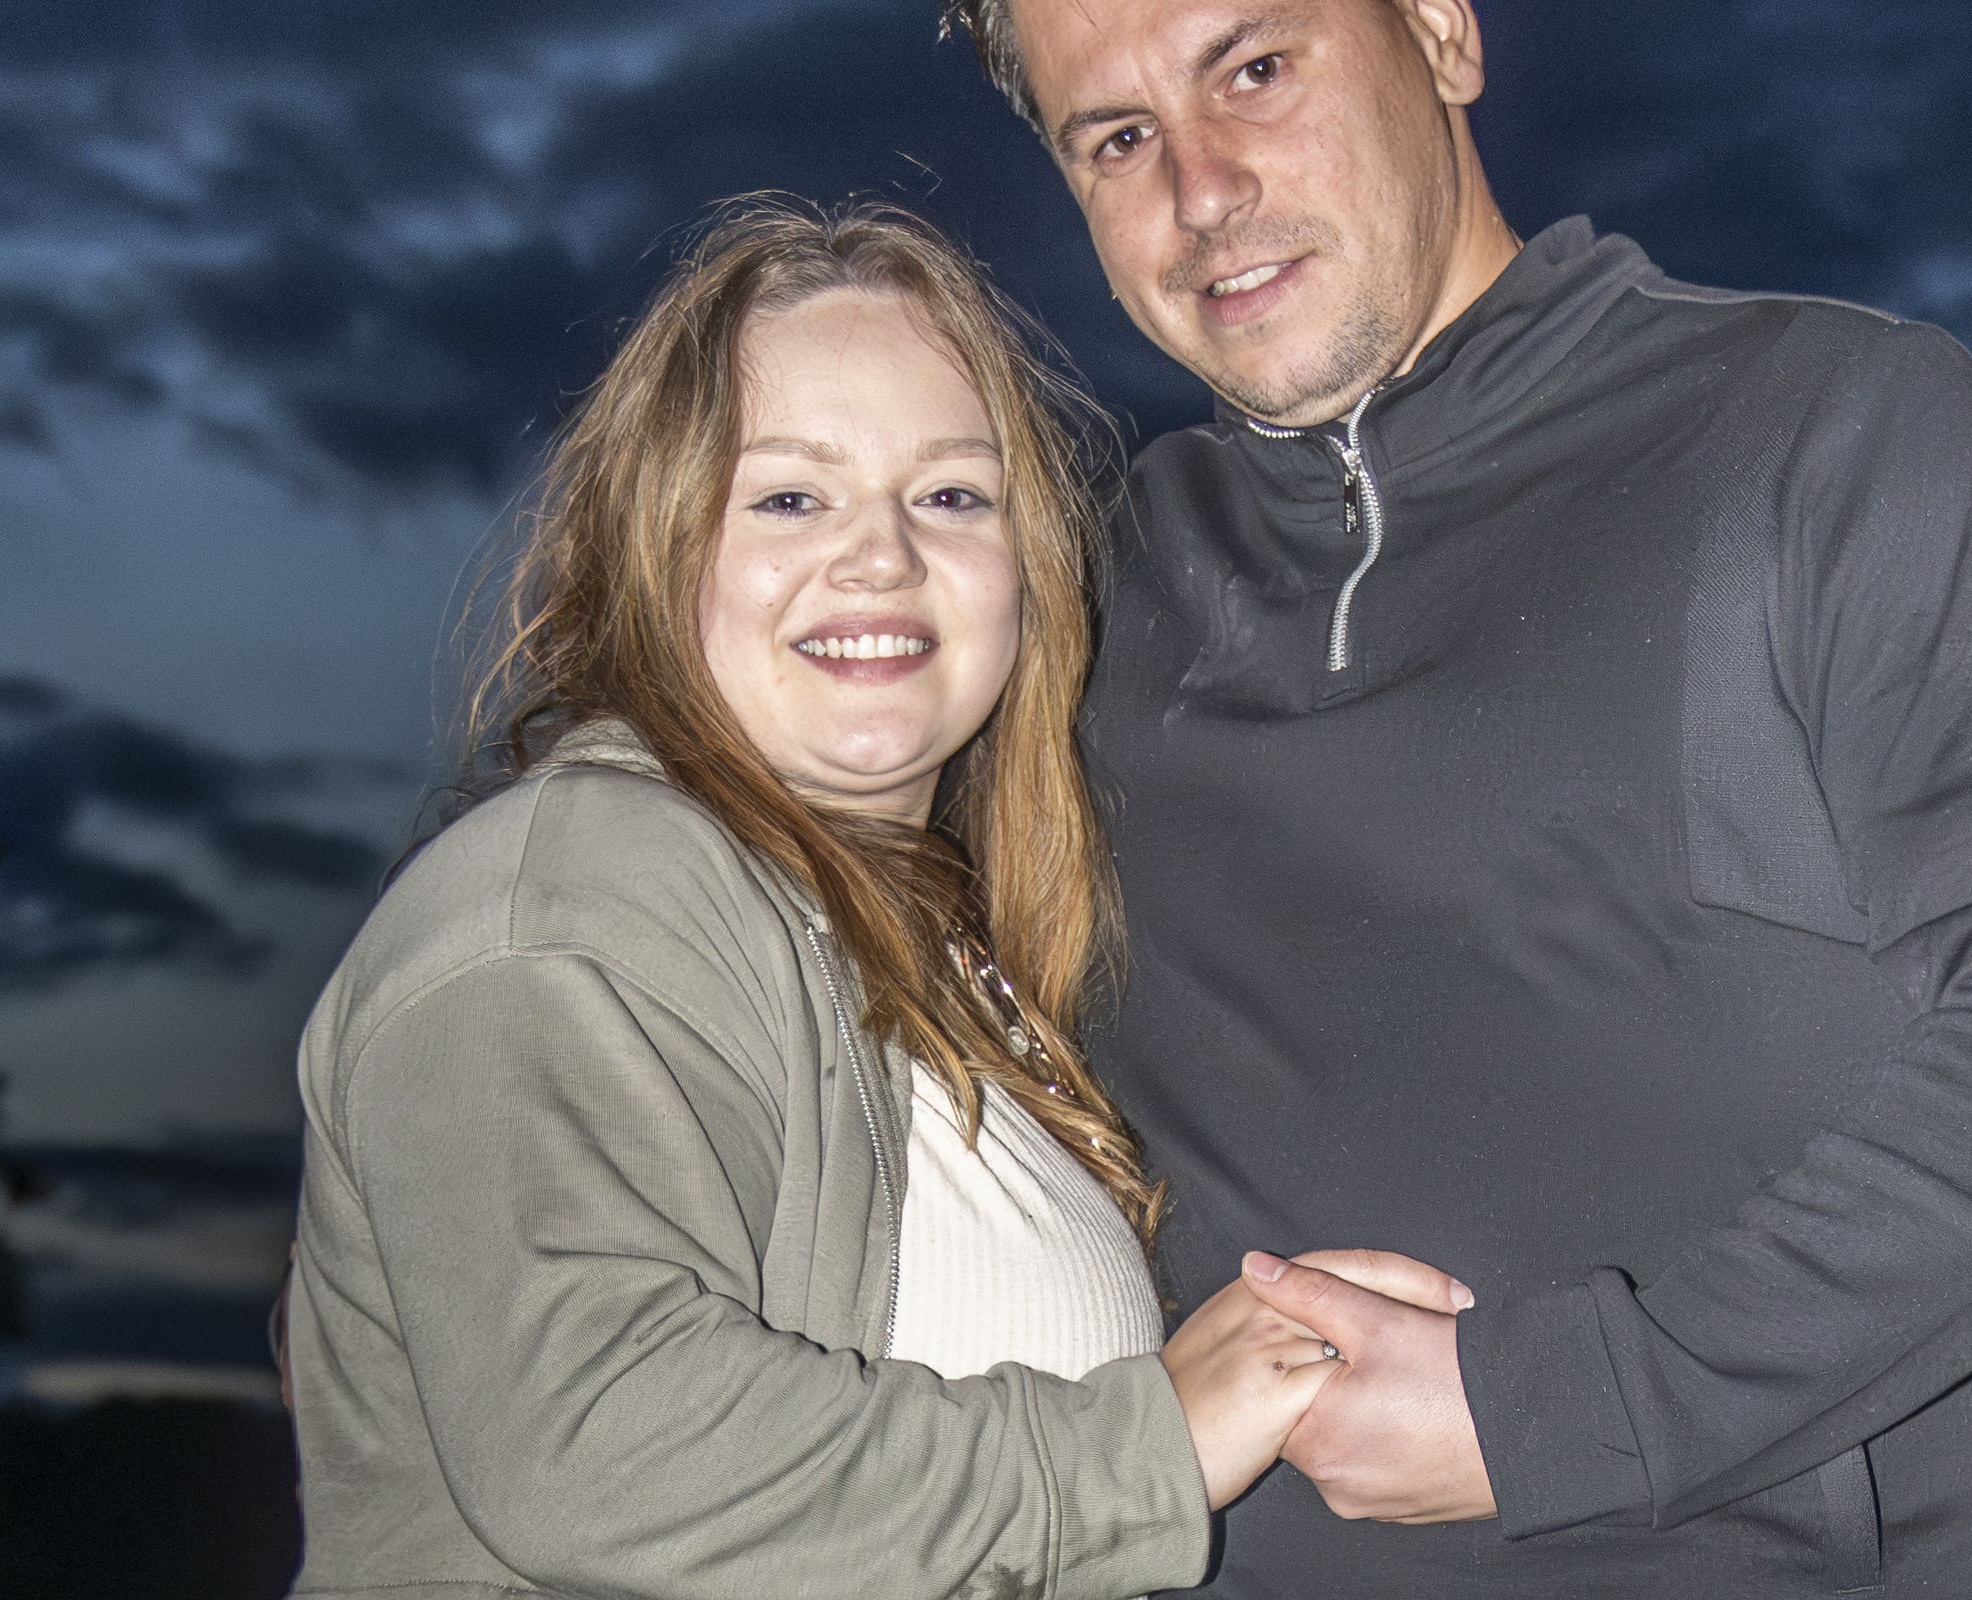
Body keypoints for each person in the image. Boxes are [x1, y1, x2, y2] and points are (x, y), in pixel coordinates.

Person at [937, 0, 1972, 1596]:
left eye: (1255, 67)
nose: (1202, 191)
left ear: (1437, 21)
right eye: (1116, 140)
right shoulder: (1086, 592)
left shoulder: (1824, 433)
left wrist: (1558, 1409)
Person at [282, 198, 1438, 1598]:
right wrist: (1142, 1452)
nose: (882, 555)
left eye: (951, 495)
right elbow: (594, 1443)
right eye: (789, 497)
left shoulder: (930, 954)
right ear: (660, 543)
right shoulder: (571, 903)